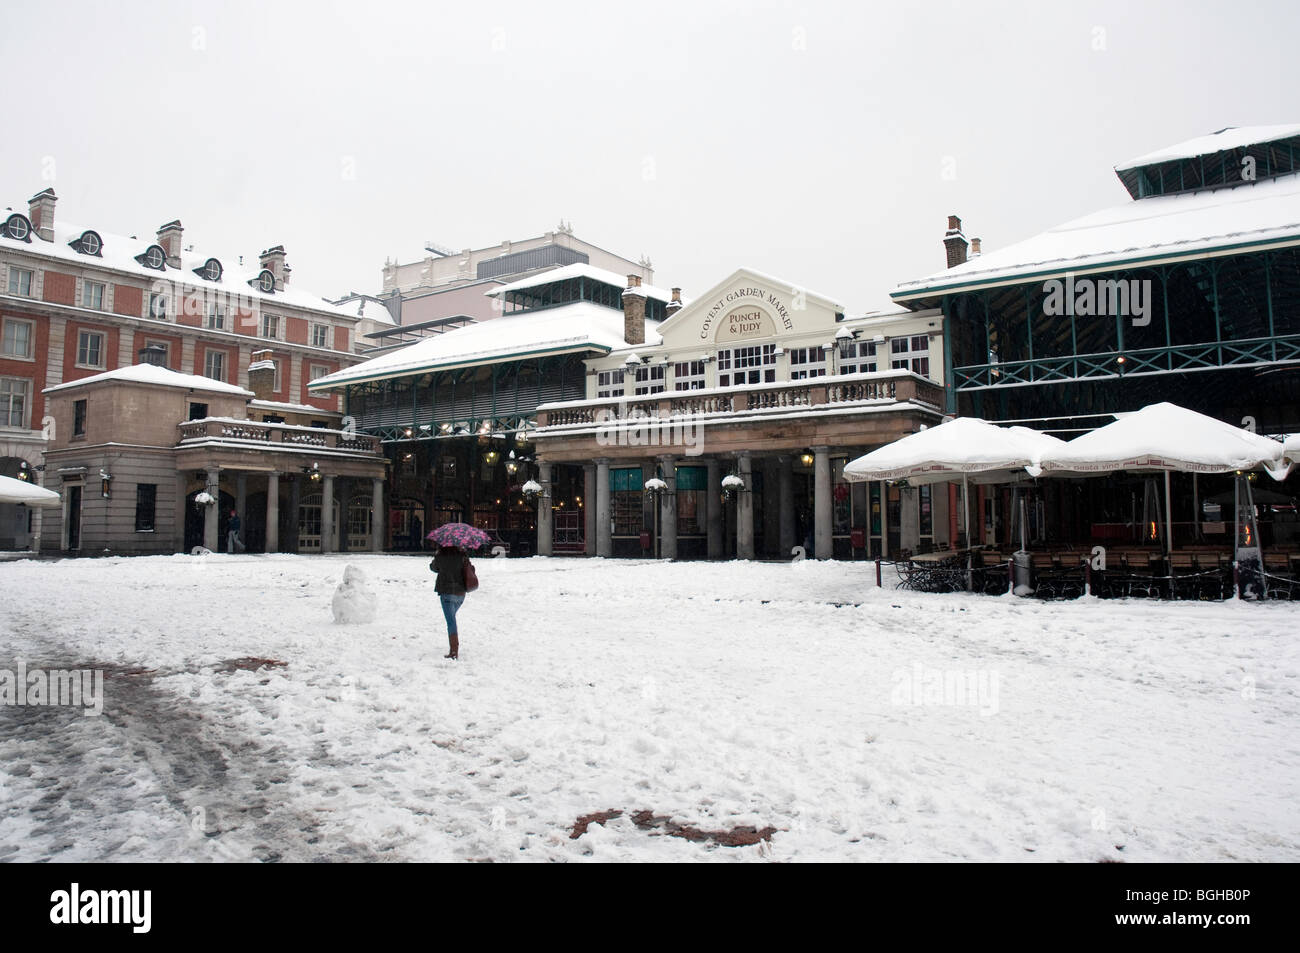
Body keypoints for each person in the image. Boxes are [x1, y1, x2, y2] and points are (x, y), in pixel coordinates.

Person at [431, 544, 469, 659]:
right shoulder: (462, 555)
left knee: (451, 621)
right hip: (460, 594)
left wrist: (436, 555)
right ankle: (454, 648)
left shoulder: (441, 556)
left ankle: (454, 651)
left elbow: (433, 568)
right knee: (452, 618)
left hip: (447, 593)